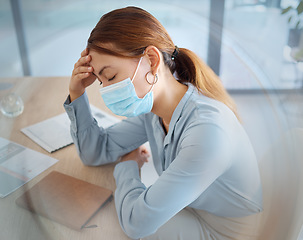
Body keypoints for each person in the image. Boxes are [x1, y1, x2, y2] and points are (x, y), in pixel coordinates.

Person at [64, 6, 263, 240]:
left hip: (225, 230)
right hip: (190, 206)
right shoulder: (153, 110)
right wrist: (76, 93)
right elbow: (94, 153)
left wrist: (128, 167)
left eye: (111, 77)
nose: (106, 90)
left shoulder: (207, 131)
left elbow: (136, 223)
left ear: (151, 59)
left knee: (106, 226)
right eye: (100, 82)